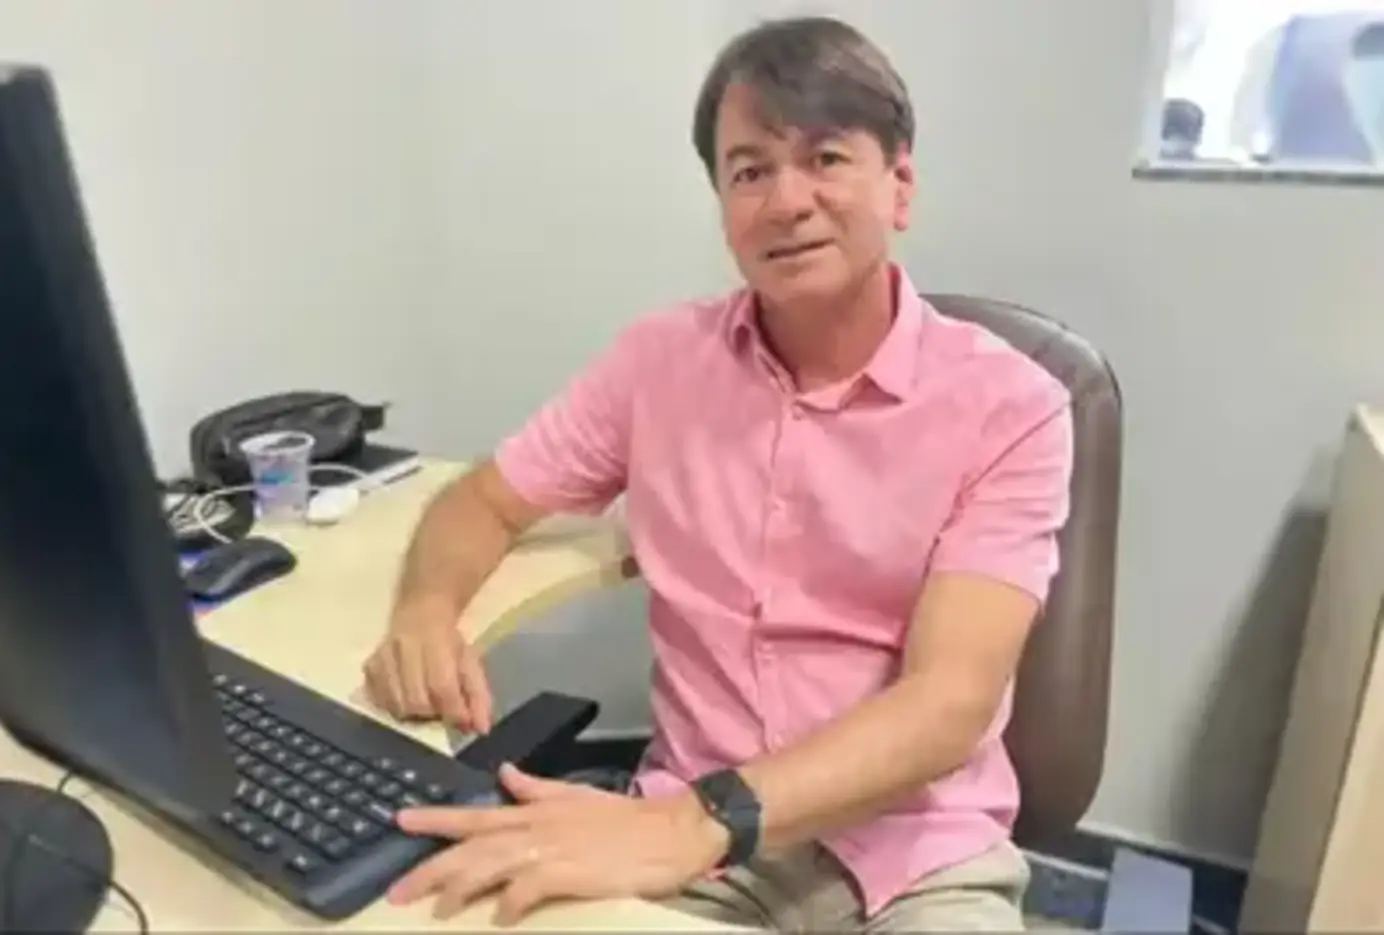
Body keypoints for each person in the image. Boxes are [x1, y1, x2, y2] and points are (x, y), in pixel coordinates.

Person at [361, 14, 1073, 933]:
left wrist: (699, 820)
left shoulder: (1013, 405)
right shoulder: (659, 364)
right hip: (696, 851)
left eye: (825, 158)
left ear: (900, 185)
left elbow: (949, 704)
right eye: (750, 171)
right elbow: (484, 499)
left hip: (915, 850)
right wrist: (426, 609)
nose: (787, 201)